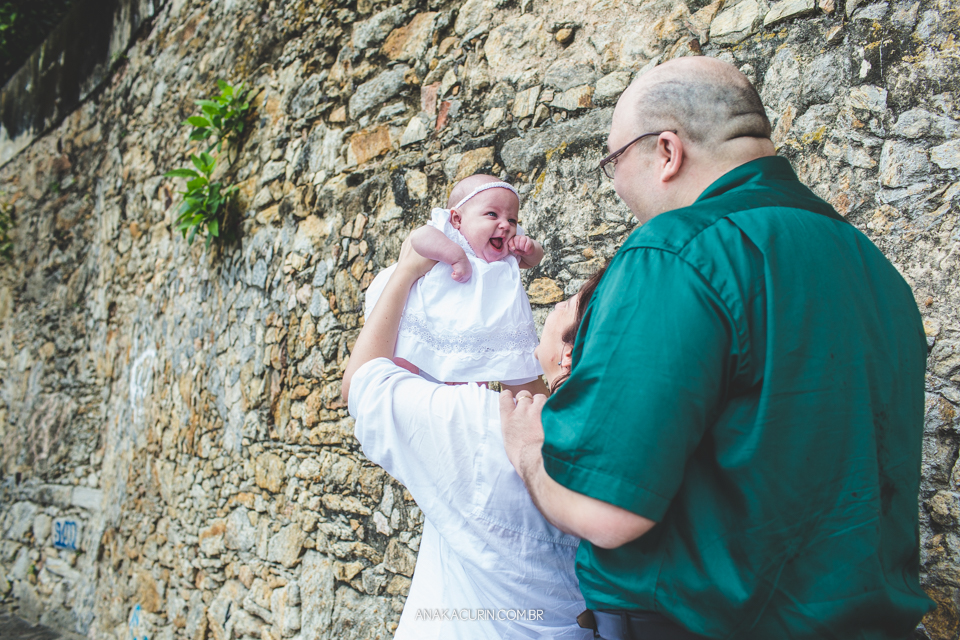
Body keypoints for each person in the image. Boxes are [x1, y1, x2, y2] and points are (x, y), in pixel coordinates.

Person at [500, 55, 935, 639]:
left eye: (614, 160)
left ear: (667, 152)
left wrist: (529, 447)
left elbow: (608, 510)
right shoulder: (874, 268)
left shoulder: (675, 251)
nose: (617, 183)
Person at [341, 238, 594, 640]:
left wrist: (407, 269)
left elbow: (362, 385)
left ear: (566, 352)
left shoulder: (482, 425)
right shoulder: (629, 442)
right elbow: (536, 394)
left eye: (563, 305)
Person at [364, 174, 546, 391]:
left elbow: (531, 260)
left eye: (512, 220)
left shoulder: (505, 253)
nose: (505, 225)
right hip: (430, 319)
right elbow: (419, 238)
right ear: (457, 220)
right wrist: (454, 255)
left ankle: (470, 389)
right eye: (492, 214)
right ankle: (403, 378)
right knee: (408, 355)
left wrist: (531, 248)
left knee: (471, 374)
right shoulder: (450, 234)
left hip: (470, 333)